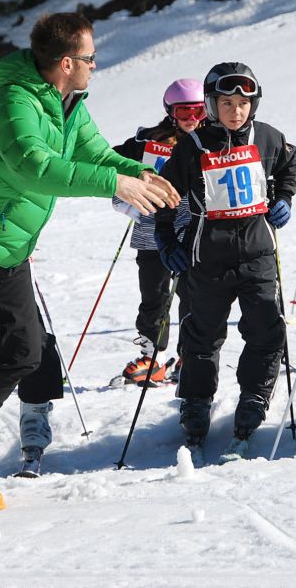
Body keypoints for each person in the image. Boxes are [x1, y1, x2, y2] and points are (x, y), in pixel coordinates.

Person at [0, 12, 180, 512]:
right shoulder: (15, 104)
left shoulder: (68, 104)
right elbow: (35, 167)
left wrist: (141, 173)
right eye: (89, 58)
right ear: (66, 62)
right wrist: (115, 184)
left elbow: (98, 154)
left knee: (23, 353)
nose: (94, 66)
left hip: (9, 250)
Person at [155, 62, 296, 460]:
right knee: (201, 335)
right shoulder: (194, 145)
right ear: (211, 104)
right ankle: (196, 402)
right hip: (207, 257)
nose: (235, 111)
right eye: (226, 102)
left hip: (258, 254)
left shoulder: (268, 137)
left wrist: (284, 197)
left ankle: (254, 397)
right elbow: (166, 195)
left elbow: (289, 164)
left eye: (243, 103)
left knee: (266, 330)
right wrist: (168, 241)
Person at [111, 78, 204, 385]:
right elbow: (110, 161)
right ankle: (153, 356)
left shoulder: (212, 139)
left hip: (194, 231)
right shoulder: (147, 142)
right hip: (152, 232)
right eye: (184, 111)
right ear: (170, 111)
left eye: (200, 112)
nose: (192, 119)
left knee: (193, 294)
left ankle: (189, 355)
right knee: (153, 295)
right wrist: (128, 194)